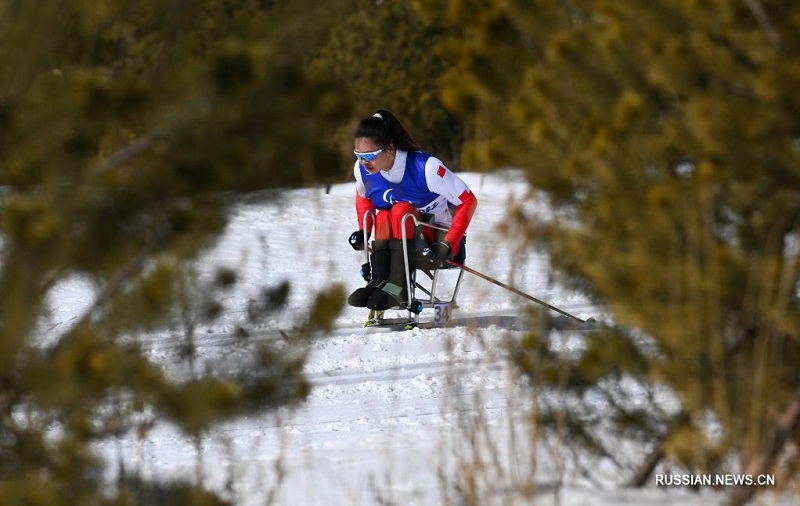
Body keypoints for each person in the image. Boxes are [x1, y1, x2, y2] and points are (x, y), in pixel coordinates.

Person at [346, 110, 478, 311]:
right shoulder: (363, 170)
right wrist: (363, 231)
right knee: (384, 214)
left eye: (370, 155)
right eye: (359, 155)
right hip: (401, 237)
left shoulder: (426, 168)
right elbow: (364, 197)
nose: (364, 163)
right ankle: (379, 281)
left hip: (438, 241)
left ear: (390, 148)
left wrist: (448, 244)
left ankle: (399, 286)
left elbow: (468, 201)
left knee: (400, 210)